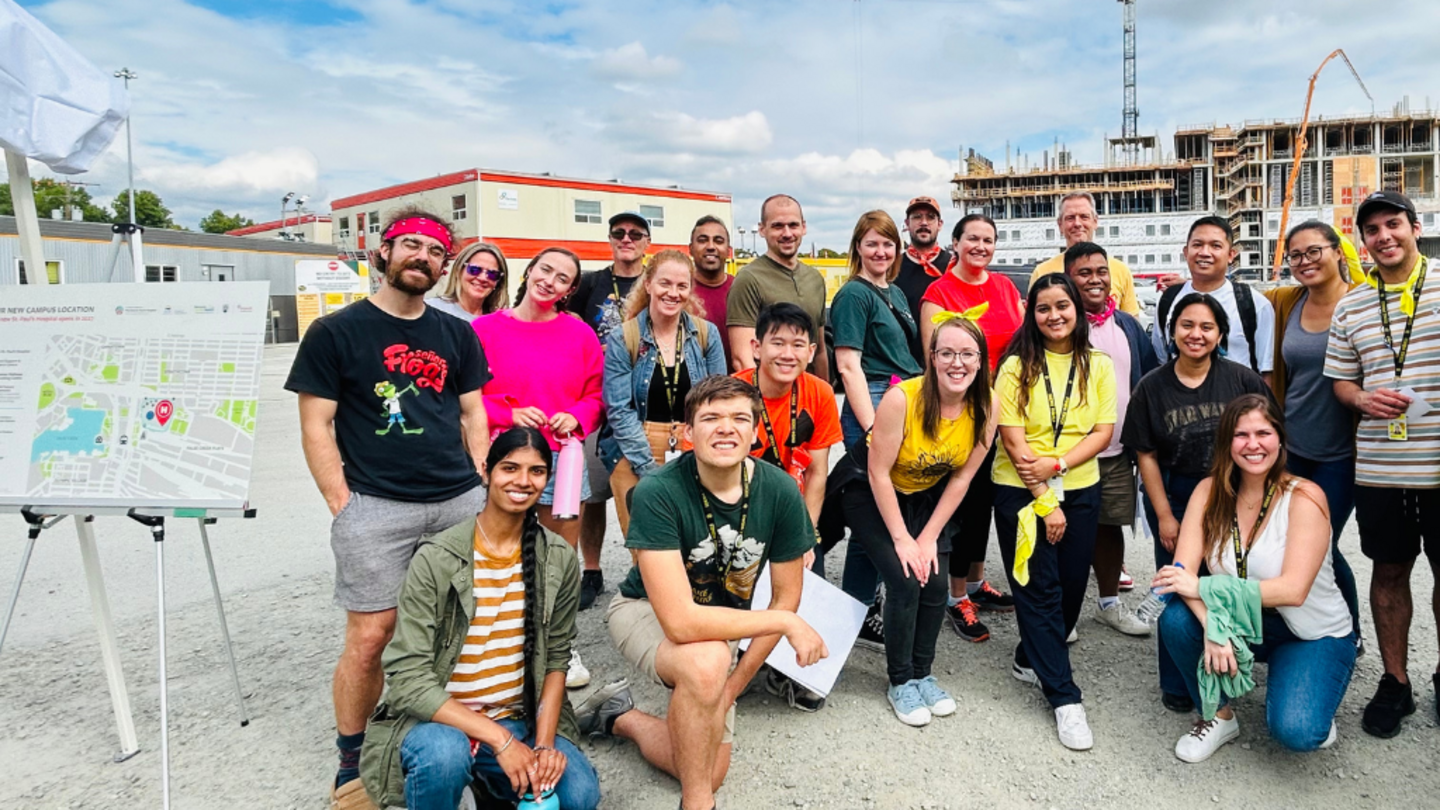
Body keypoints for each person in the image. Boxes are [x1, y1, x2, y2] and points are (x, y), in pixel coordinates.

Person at [285, 207, 491, 810]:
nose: (422, 257)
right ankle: (353, 756)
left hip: (456, 499)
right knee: (371, 635)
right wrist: (340, 502)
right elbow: (316, 424)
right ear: (382, 252)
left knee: (462, 620)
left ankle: (456, 727)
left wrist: (477, 473)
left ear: (443, 265)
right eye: (411, 246)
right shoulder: (335, 331)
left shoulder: (455, 333)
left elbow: (473, 410)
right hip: (376, 506)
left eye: (434, 251)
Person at [580, 375, 828, 810]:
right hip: (646, 610)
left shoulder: (782, 490)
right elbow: (680, 620)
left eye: (739, 418)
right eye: (710, 418)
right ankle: (697, 804)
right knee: (706, 659)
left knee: (711, 761)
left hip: (722, 621)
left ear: (755, 432)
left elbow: (785, 596)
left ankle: (620, 716)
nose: (725, 428)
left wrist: (731, 689)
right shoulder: (659, 491)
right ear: (687, 433)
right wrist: (786, 624)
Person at [359, 428, 601, 810]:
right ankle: (451, 784)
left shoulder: (557, 557)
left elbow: (556, 658)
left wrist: (542, 744)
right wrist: (499, 741)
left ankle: (482, 787)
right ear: (485, 471)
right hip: (440, 721)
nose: (523, 481)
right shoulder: (437, 558)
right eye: (510, 468)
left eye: (537, 471)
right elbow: (407, 679)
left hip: (515, 717)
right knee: (443, 758)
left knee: (578, 797)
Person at [1154, 395, 1356, 762]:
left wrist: (1202, 588)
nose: (1252, 444)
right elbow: (1179, 574)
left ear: (1280, 438)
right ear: (1227, 442)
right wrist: (1214, 626)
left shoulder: (1306, 497)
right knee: (1176, 621)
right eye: (1241, 434)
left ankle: (1310, 691)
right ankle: (1218, 714)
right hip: (1244, 620)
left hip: (1310, 632)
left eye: (1263, 432)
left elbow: (1292, 591)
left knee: (1297, 731)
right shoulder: (1209, 491)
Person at [836, 313, 993, 726]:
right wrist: (905, 540)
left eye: (966, 354)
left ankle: (924, 672)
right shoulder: (902, 399)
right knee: (906, 579)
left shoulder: (987, 408)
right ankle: (900, 680)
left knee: (937, 581)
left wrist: (928, 537)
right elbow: (877, 472)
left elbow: (961, 480)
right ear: (932, 357)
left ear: (980, 360)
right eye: (946, 353)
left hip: (925, 495)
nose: (956, 363)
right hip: (868, 489)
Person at [1325, 190, 1440, 738]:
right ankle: (1396, 681)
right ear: (1363, 241)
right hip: (1380, 466)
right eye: (1372, 230)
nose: (1384, 237)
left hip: (1439, 463)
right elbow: (1342, 381)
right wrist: (1362, 399)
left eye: (1393, 224)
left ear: (1414, 227)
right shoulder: (1352, 305)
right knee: (1388, 572)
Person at [1123, 292, 1270, 711]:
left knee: (1232, 576)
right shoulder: (1152, 386)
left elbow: (1267, 436)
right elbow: (1145, 455)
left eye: (1207, 327)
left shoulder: (1241, 380)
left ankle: (1238, 658)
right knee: (1175, 584)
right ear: (1172, 331)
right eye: (1187, 325)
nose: (1196, 334)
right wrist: (1165, 516)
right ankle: (1177, 679)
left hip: (1236, 493)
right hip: (1176, 492)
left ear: (1220, 333)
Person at [991, 273, 1116, 751]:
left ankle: (1030, 656)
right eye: (1043, 308)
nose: (1054, 315)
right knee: (1037, 588)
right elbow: (1015, 444)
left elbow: (1103, 432)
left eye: (1062, 305)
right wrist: (1046, 500)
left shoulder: (1098, 364)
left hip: (1081, 486)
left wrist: (1059, 464)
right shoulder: (1016, 366)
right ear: (1032, 313)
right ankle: (1064, 698)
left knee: (1069, 587)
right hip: (1021, 491)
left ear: (1076, 308)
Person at [473, 247, 603, 689]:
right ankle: (501, 648)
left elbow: (595, 395)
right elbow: (465, 396)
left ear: (570, 290)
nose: (551, 280)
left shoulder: (580, 334)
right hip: (503, 460)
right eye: (545, 269)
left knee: (557, 557)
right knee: (498, 555)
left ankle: (559, 646)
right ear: (529, 271)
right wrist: (506, 414)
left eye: (563, 277)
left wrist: (578, 416)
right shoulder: (484, 329)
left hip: (562, 460)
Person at [919, 213, 1021, 642]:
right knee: (962, 500)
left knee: (987, 500)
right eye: (972, 238)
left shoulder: (1004, 287)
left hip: (1002, 407)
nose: (981, 246)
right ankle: (955, 594)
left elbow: (1020, 340)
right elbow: (934, 354)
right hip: (961, 409)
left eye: (988, 240)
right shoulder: (939, 292)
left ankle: (978, 582)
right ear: (955, 243)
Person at [1264, 221, 1363, 647]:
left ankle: (1348, 632)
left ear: (1338, 251)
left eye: (1314, 251)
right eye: (1295, 255)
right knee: (1288, 540)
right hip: (1293, 447)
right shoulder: (1288, 300)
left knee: (1321, 545)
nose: (1305, 262)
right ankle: (1302, 626)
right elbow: (1237, 306)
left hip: (1342, 453)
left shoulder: (1363, 302)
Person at [1064, 242, 1159, 637]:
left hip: (1118, 451)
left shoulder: (1128, 325)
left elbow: (1149, 380)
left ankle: (1108, 604)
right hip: (1068, 453)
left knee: (1109, 527)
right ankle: (1063, 610)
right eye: (1084, 273)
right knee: (1063, 530)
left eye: (1101, 271)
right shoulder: (1058, 324)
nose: (1095, 279)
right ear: (1069, 277)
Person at [602, 249, 728, 536]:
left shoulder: (706, 334)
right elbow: (619, 410)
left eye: (682, 286)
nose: (673, 293)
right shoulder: (625, 337)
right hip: (635, 444)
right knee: (646, 546)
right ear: (648, 285)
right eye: (665, 283)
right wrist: (647, 466)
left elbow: (718, 399)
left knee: (694, 541)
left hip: (692, 442)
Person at [567, 211, 652, 612]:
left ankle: (649, 569)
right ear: (610, 239)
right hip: (594, 398)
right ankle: (592, 568)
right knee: (594, 491)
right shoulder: (590, 285)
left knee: (637, 487)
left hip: (641, 397)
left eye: (635, 233)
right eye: (619, 233)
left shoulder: (654, 283)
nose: (627, 239)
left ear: (646, 242)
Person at [1151, 216, 1275, 378]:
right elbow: (1161, 361)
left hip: (1238, 401)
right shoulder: (1167, 301)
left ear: (1231, 255)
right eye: (1197, 245)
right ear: (1186, 252)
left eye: (1215, 246)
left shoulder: (1254, 304)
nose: (1204, 253)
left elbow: (1266, 372)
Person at [726, 194, 830, 380]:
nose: (787, 233)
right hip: (769, 399)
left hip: (807, 399)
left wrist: (823, 398)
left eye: (793, 225)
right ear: (762, 229)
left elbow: (819, 351)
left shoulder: (815, 279)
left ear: (803, 228)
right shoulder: (749, 279)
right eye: (778, 226)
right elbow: (742, 359)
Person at [1029, 192, 1142, 316]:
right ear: (1060, 225)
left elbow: (1131, 324)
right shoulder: (1043, 272)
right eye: (1070, 218)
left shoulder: (1121, 270)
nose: (1077, 224)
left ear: (1095, 222)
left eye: (1084, 217)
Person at [893, 196, 951, 359]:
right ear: (907, 224)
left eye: (930, 217)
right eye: (917, 217)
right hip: (903, 366)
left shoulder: (954, 267)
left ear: (940, 224)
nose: (924, 223)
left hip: (947, 364)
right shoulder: (891, 268)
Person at [688, 215, 736, 370]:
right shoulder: (679, 292)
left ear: (728, 251)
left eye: (718, 241)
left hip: (737, 386)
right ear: (691, 248)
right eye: (702, 240)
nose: (710, 246)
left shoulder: (742, 289)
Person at [427, 241, 509, 322]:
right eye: (474, 270)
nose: (483, 278)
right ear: (458, 271)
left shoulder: (500, 322)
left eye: (492, 274)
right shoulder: (431, 311)